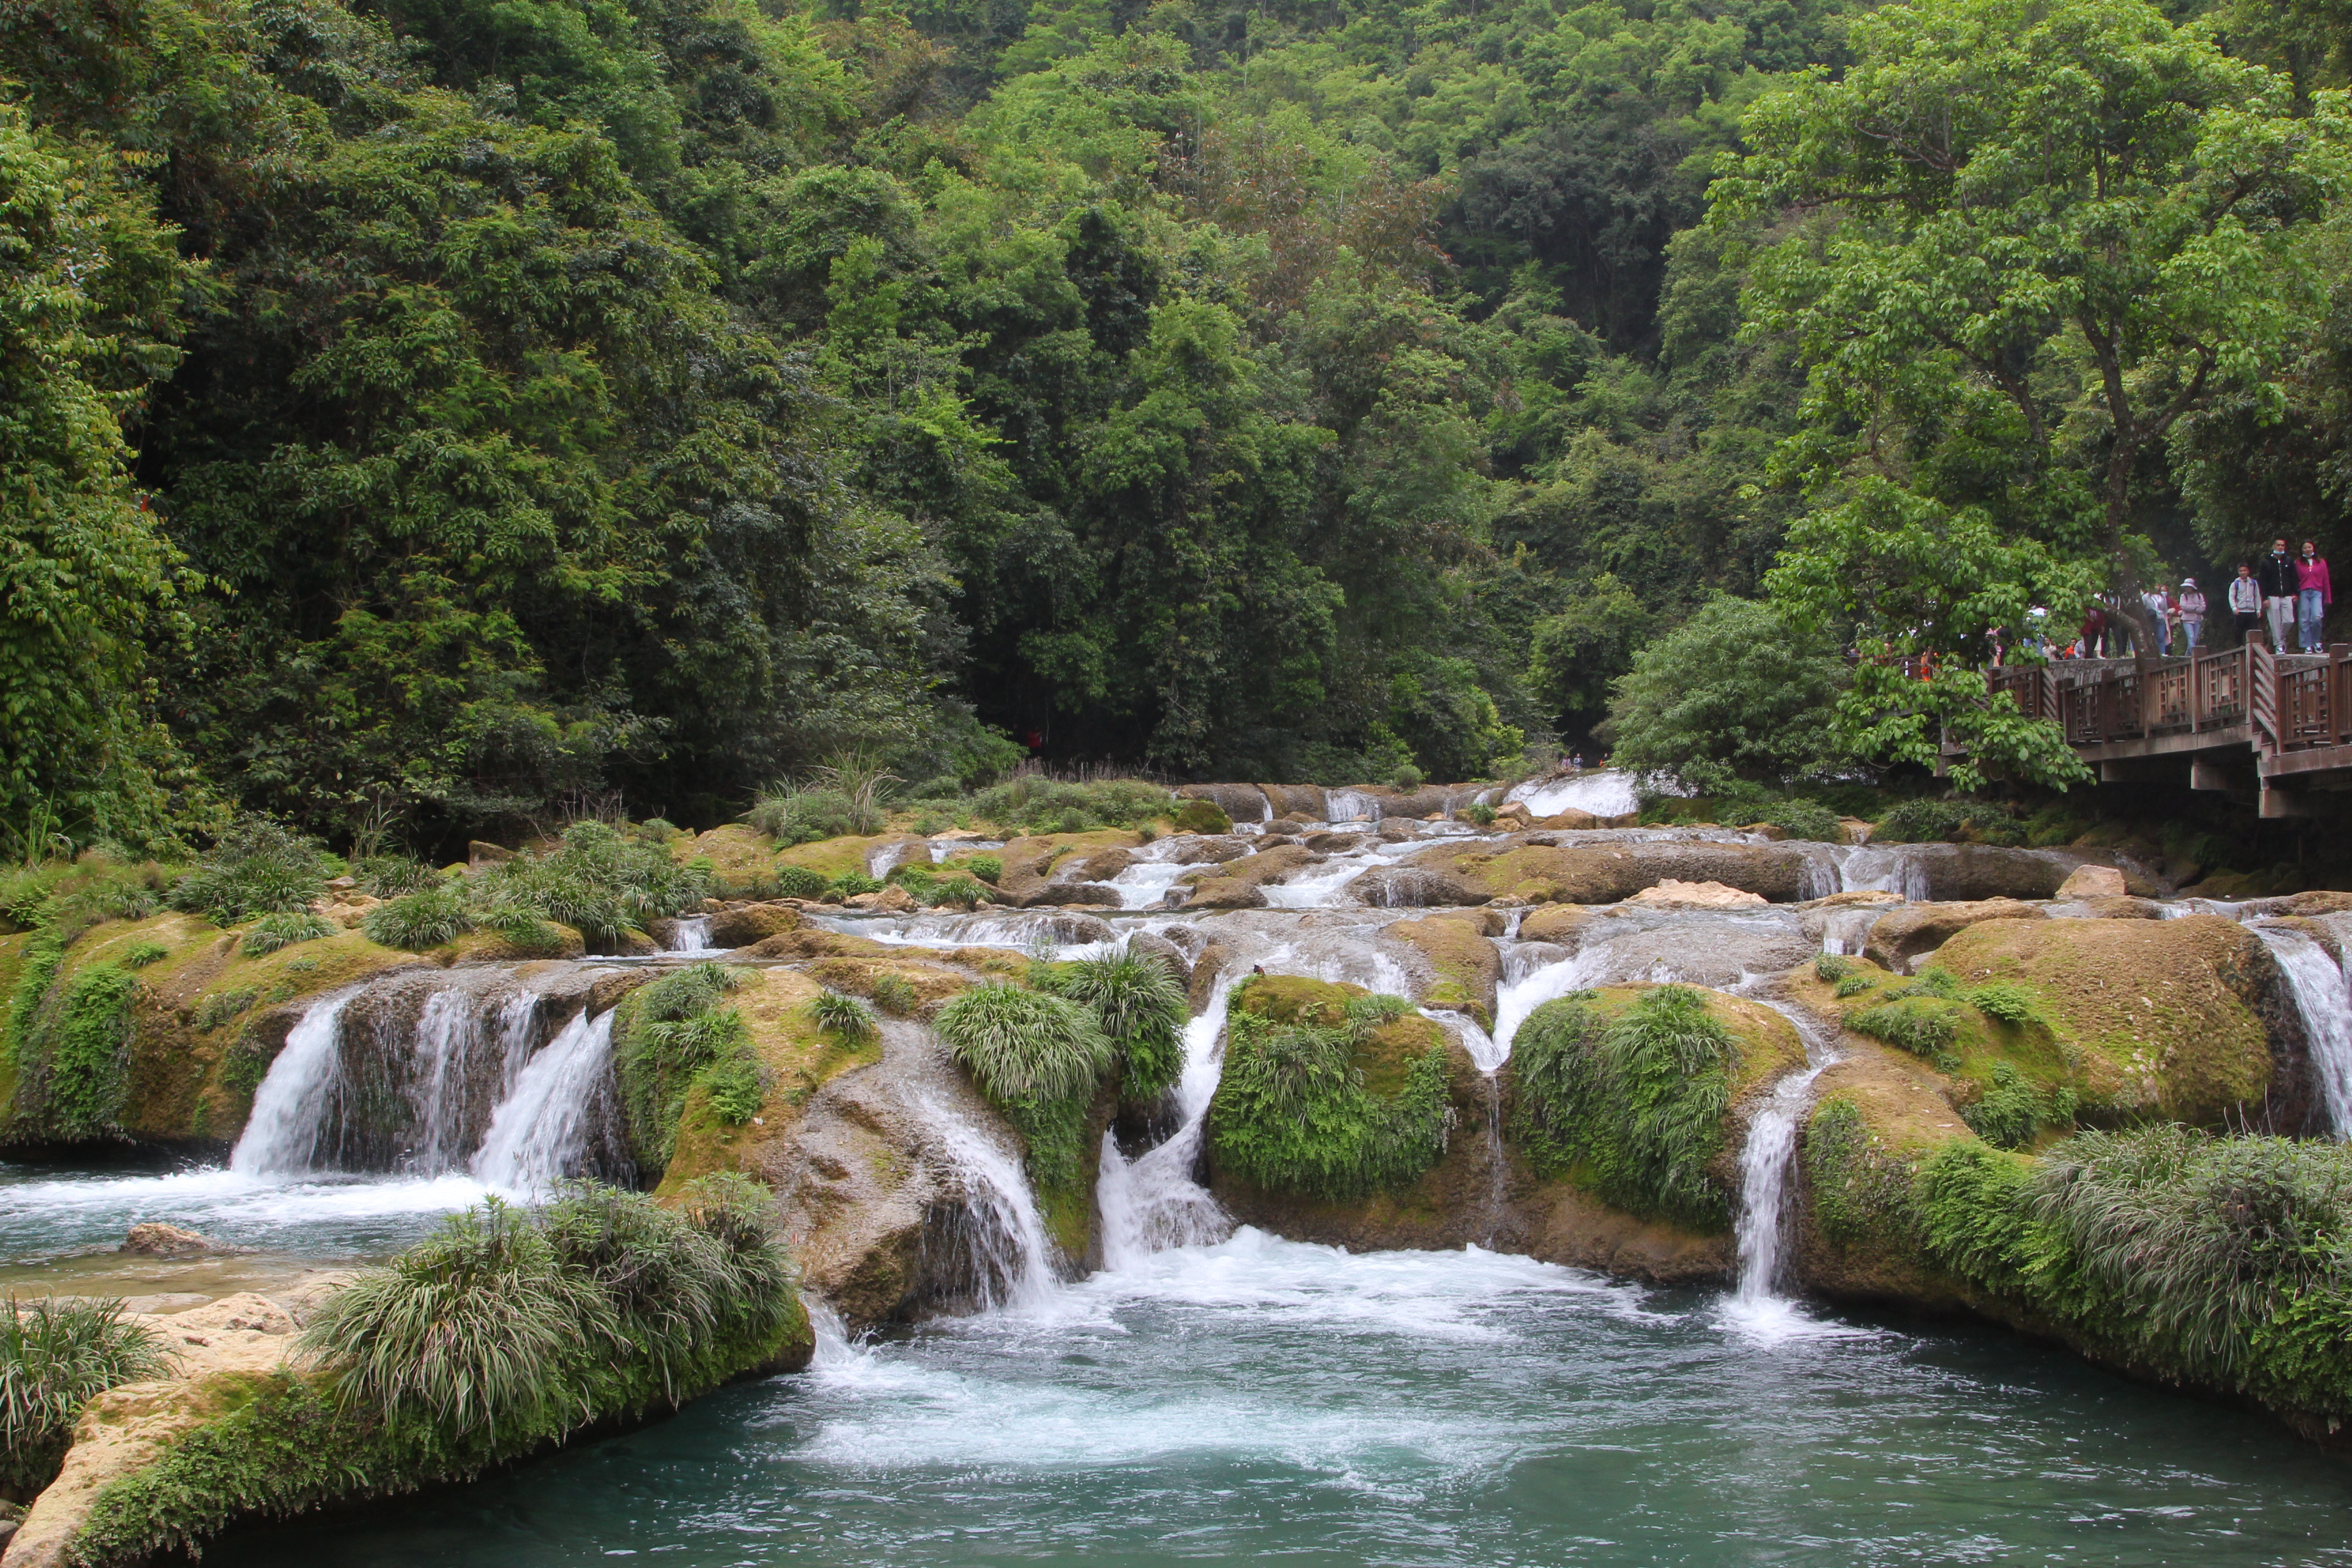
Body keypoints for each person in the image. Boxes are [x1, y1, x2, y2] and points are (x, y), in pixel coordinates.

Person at [2261, 538, 2299, 651]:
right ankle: (2279, 645)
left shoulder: (2288, 561)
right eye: (2278, 545)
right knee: (2275, 622)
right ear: (2274, 546)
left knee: (2289, 620)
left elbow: (2294, 578)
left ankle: (2280, 639)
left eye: (2283, 545)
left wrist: (2296, 593)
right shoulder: (2266, 562)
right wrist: (2265, 598)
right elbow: (2262, 581)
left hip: (2287, 595)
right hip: (2272, 596)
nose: (2281, 547)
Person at [2298, 540, 2332, 653]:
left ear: (2313, 548)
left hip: (2317, 592)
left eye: (2309, 547)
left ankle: (2316, 641)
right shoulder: (2298, 563)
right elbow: (2294, 580)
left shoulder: (2321, 562)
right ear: (2302, 550)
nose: (2308, 550)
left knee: (2317, 617)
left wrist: (2328, 597)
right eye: (2305, 548)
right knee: (2304, 619)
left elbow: (2326, 580)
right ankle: (2306, 644)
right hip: (2303, 592)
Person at [2229, 563, 2264, 647]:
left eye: (2244, 570)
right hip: (2240, 611)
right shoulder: (2235, 584)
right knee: (2239, 631)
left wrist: (2258, 609)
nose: (2243, 572)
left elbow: (2257, 596)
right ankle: (2239, 648)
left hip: (2251, 611)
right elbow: (2231, 597)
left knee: (2253, 631)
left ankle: (2253, 648)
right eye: (2241, 571)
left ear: (2248, 571)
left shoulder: (2254, 583)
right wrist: (2234, 608)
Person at [2140, 585, 2173, 657]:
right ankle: (2152, 654)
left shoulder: (2162, 598)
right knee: (2152, 636)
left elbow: (2165, 610)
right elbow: (2143, 609)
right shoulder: (2145, 597)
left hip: (2161, 619)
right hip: (2151, 620)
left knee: (2161, 637)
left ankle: (2162, 653)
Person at [2176, 578, 2206, 655]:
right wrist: (2196, 607)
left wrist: (2192, 608)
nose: (2187, 588)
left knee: (2195, 639)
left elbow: (2203, 607)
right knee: (2191, 637)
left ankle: (2187, 655)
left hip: (2197, 620)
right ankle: (2194, 655)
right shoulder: (2183, 596)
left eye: (2188, 587)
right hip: (2187, 620)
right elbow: (2184, 607)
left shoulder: (2199, 596)